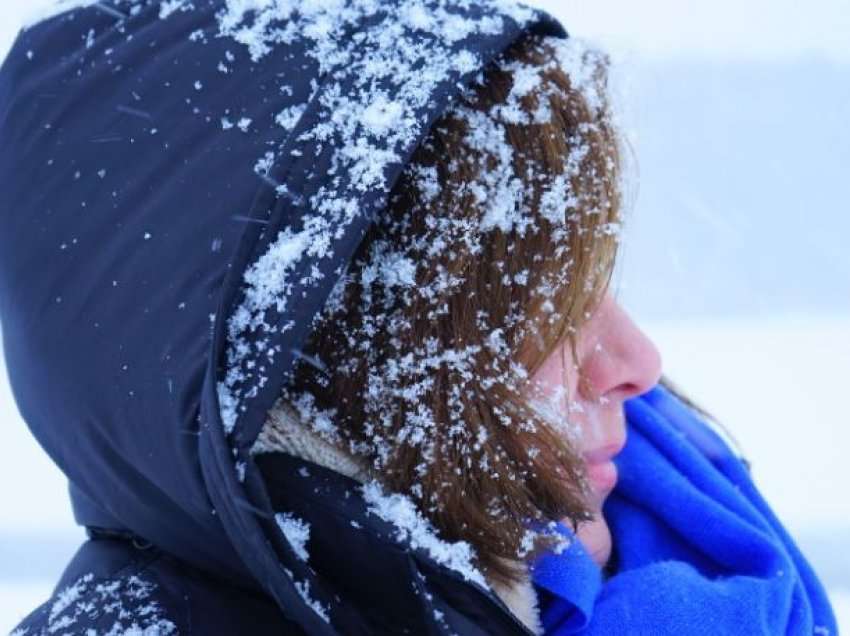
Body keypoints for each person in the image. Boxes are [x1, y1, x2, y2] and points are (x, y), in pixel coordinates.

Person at [0, 1, 836, 634]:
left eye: (598, 284)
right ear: (335, 362)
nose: (638, 362)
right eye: (541, 308)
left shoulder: (684, 543)